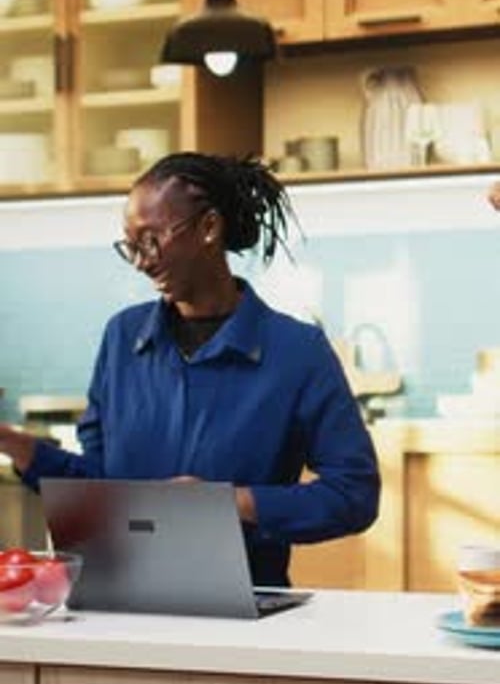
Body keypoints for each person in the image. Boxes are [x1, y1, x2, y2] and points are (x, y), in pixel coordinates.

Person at [0, 152, 380, 586]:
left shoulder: (296, 350)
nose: (142, 260)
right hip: (121, 605)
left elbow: (355, 494)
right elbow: (104, 486)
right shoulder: (123, 338)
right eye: (132, 245)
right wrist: (11, 441)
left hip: (247, 612)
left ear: (208, 228)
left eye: (152, 239)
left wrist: (230, 504)